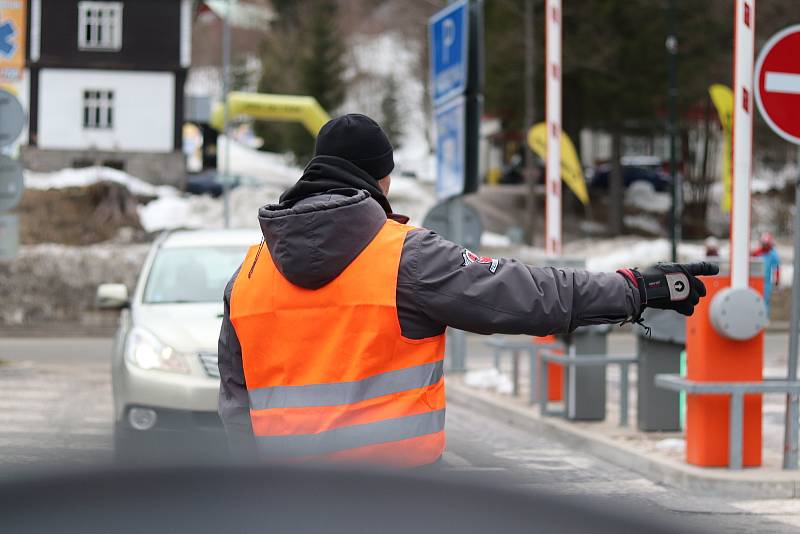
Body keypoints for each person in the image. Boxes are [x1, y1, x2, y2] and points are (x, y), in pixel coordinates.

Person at [217, 113, 718, 467]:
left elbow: (236, 401)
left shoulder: (249, 274)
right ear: (383, 179)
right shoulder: (406, 257)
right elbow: (530, 294)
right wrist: (634, 288)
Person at [753, 232, 780, 311]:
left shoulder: (773, 255)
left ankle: (765, 316)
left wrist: (776, 280)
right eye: (763, 244)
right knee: (756, 298)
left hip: (767, 281)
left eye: (766, 244)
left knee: (766, 299)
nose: (765, 246)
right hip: (757, 279)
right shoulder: (757, 253)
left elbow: (776, 268)